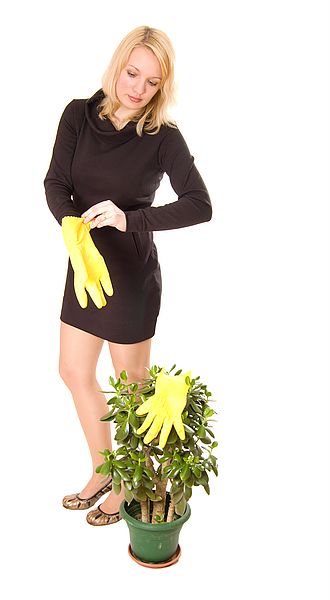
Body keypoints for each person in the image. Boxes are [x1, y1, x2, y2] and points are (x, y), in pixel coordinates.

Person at [43, 25, 212, 527]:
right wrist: (74, 231)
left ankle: (132, 484)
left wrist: (129, 218)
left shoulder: (164, 138)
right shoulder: (78, 114)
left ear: (163, 87)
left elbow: (200, 205)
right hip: (86, 266)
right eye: (133, 72)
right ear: (118, 65)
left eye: (152, 82)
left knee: (133, 386)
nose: (137, 88)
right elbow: (56, 183)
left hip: (131, 275)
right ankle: (104, 471)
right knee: (73, 371)